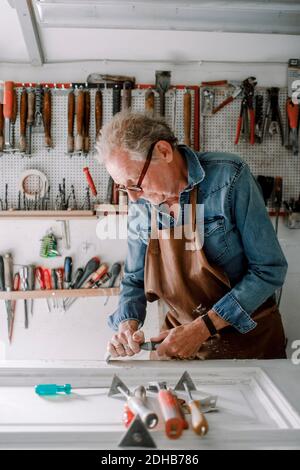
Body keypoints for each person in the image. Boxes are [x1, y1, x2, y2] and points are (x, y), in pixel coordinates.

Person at [95, 111, 288, 360]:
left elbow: (269, 269)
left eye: (135, 184)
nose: (133, 197)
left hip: (249, 338)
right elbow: (134, 280)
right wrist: (127, 327)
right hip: (178, 341)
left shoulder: (229, 178)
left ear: (164, 152)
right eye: (124, 188)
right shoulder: (142, 203)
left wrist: (202, 328)